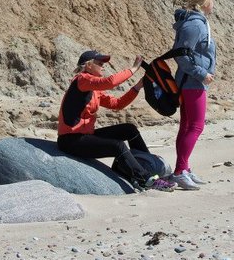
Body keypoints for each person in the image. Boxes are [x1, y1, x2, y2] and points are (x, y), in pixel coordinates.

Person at [57, 50, 175, 192]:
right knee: (117, 146)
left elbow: (117, 104)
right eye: (99, 63)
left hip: (85, 136)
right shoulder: (82, 80)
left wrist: (137, 87)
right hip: (71, 141)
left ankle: (150, 166)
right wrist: (134, 69)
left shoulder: (94, 90)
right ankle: (147, 180)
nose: (103, 66)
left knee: (129, 129)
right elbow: (110, 82)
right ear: (88, 65)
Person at [169, 0, 216, 190]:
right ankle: (180, 171)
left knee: (187, 126)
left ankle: (184, 168)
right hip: (193, 83)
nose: (213, 3)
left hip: (192, 82)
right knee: (196, 126)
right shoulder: (195, 25)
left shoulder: (198, 22)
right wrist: (202, 73)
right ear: (206, 2)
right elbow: (180, 55)